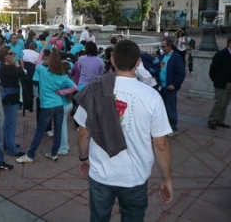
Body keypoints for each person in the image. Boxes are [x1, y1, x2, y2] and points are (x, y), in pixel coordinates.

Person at [76, 40, 173, 221]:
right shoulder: (152, 96)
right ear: (138, 62)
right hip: (135, 177)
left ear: (112, 60)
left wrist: (83, 158)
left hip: (101, 174)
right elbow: (160, 144)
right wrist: (167, 179)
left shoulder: (94, 88)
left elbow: (84, 133)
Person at [16, 51, 77, 163]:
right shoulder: (62, 76)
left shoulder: (43, 71)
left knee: (40, 131)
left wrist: (43, 50)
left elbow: (38, 62)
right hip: (58, 105)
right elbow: (74, 87)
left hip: (47, 106)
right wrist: (62, 92)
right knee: (58, 130)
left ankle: (30, 155)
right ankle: (54, 153)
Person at [0, 46, 26, 157]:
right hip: (11, 96)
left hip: (8, 95)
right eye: (11, 53)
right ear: (5, 56)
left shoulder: (4, 66)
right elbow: (22, 74)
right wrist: (16, 64)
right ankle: (11, 148)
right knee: (11, 123)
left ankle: (8, 144)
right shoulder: (8, 68)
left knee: (8, 122)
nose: (13, 55)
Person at [159, 38, 186, 134]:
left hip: (170, 87)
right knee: (162, 108)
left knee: (171, 108)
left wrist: (174, 85)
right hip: (161, 87)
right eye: (161, 46)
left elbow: (181, 74)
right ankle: (164, 127)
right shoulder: (162, 56)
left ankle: (173, 128)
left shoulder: (176, 57)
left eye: (164, 46)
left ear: (170, 46)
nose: (162, 48)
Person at [207, 37, 231, 130]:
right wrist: (217, 80)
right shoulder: (221, 54)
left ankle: (220, 120)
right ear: (229, 44)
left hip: (230, 83)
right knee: (220, 102)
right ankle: (212, 120)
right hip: (221, 83)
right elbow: (212, 70)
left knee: (226, 103)